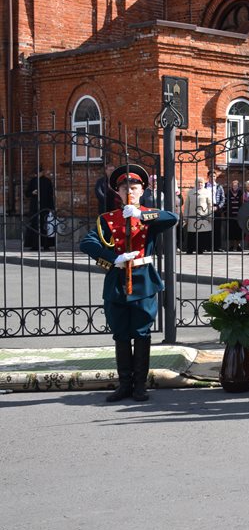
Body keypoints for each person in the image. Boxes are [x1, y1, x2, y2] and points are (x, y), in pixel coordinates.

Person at [79, 164, 177, 402]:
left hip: (143, 280)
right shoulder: (107, 219)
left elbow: (172, 218)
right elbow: (87, 243)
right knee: (121, 333)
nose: (129, 192)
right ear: (118, 192)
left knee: (141, 333)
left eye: (134, 188)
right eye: (125, 188)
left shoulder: (149, 215)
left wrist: (140, 215)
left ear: (142, 190)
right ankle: (124, 385)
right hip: (117, 280)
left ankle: (140, 385)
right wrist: (114, 258)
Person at [23, 168, 56, 251]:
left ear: (42, 172)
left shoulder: (47, 181)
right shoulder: (33, 181)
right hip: (35, 207)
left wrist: (51, 208)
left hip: (45, 206)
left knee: (45, 226)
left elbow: (50, 195)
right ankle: (35, 245)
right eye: (36, 173)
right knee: (35, 226)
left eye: (39, 172)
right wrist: (32, 193)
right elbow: (27, 193)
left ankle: (46, 245)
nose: (37, 174)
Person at [184, 177, 212, 254]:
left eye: (201, 182)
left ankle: (200, 249)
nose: (200, 184)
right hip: (192, 216)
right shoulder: (190, 192)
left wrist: (210, 216)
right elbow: (186, 205)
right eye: (198, 182)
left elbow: (210, 205)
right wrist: (185, 216)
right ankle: (190, 249)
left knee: (202, 233)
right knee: (192, 233)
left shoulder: (207, 192)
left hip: (203, 216)